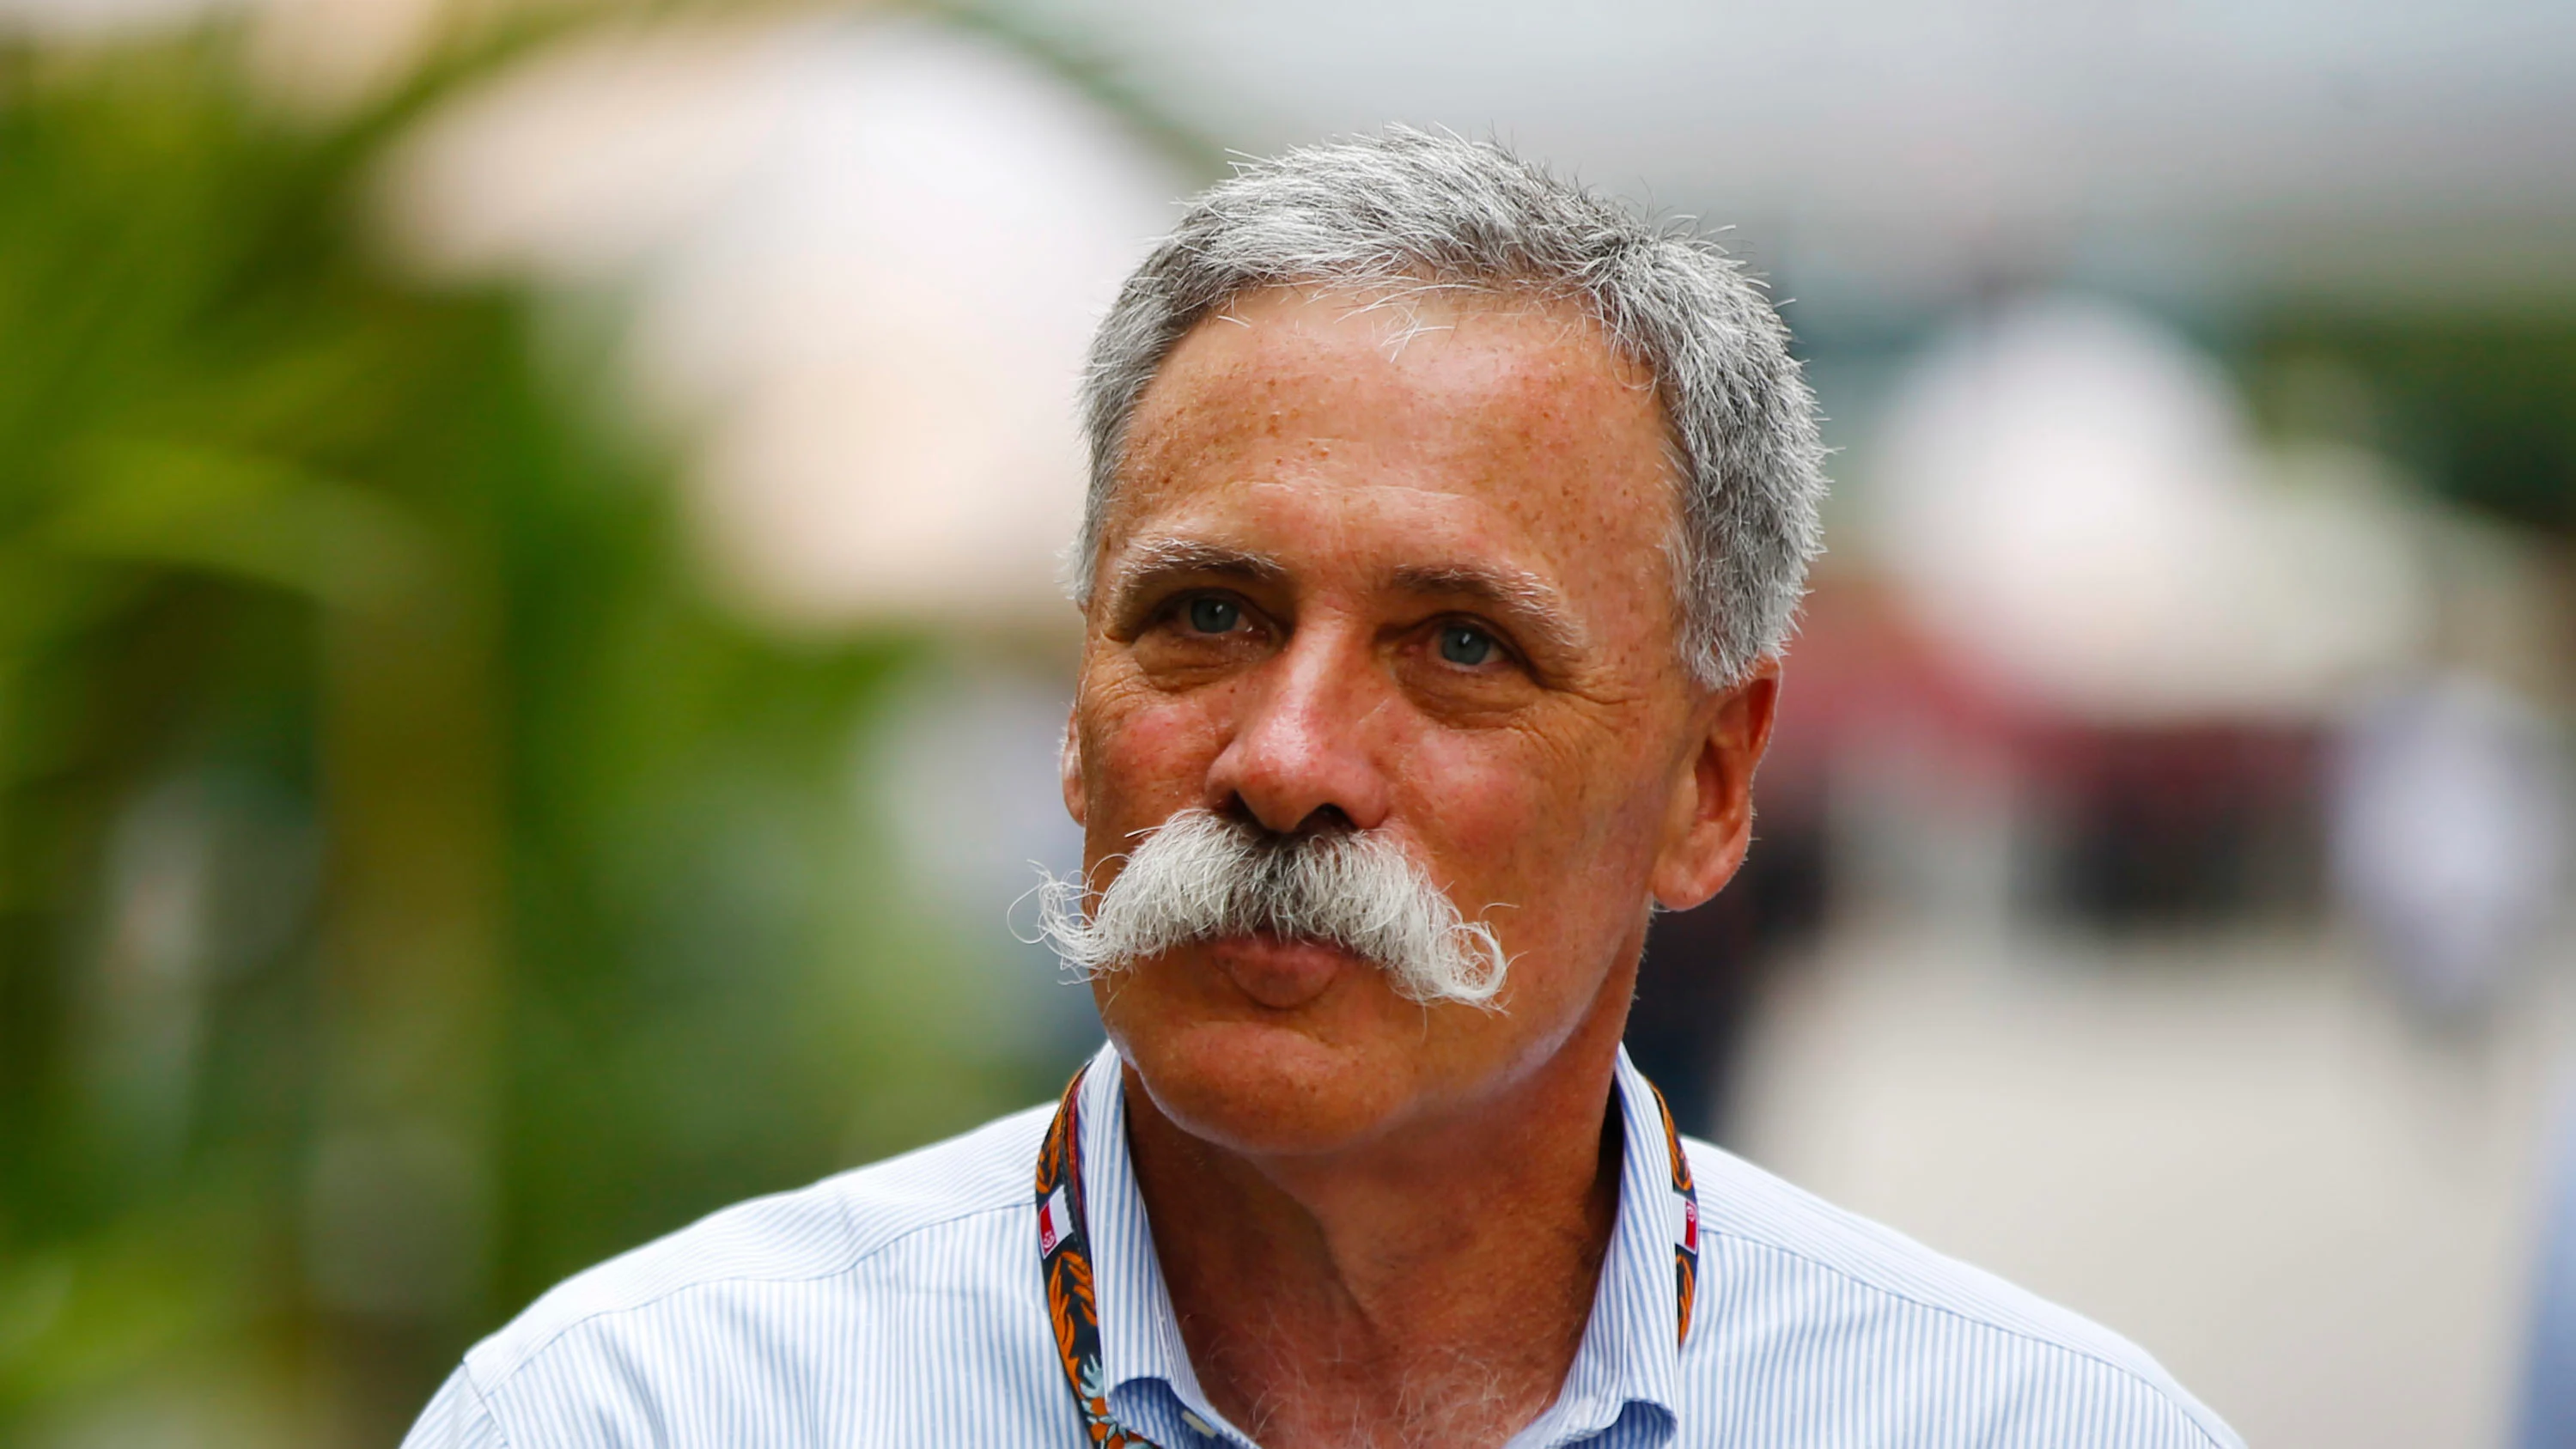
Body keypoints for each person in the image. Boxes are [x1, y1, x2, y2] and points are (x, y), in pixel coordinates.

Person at [401, 129, 2239, 1449]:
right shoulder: (648, 1409)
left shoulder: (2023, 1421)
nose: (1280, 764)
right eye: (1202, 616)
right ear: (1071, 713)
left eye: (1457, 649)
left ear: (1705, 785)